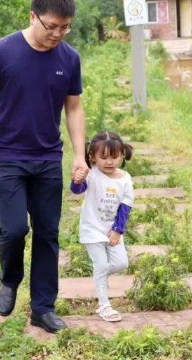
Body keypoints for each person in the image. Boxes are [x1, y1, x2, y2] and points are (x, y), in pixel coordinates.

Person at [0, 0, 89, 334]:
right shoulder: (1, 52)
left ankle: (42, 308)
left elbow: (74, 108)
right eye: (51, 26)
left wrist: (80, 155)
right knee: (15, 228)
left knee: (48, 233)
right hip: (6, 155)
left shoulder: (69, 59)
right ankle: (10, 280)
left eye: (64, 28)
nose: (57, 34)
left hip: (47, 156)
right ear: (33, 16)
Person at [70, 131, 134, 322]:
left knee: (121, 263)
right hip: (92, 229)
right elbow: (77, 190)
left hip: (112, 230)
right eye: (103, 158)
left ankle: (100, 277)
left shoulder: (125, 178)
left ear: (122, 155)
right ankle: (104, 306)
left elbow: (126, 206)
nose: (109, 162)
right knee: (102, 264)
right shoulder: (92, 174)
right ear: (92, 157)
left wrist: (118, 230)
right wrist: (78, 179)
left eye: (114, 157)